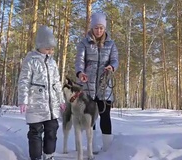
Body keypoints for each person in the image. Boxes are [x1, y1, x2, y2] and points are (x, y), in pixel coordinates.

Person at [18, 25, 65, 160]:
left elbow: (57, 83)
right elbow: (24, 81)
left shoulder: (53, 63)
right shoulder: (30, 60)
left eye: (52, 49)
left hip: (51, 106)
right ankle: (36, 157)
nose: (50, 52)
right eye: (47, 48)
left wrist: (61, 100)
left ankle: (49, 155)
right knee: (35, 133)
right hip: (35, 105)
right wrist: (23, 100)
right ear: (39, 46)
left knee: (52, 130)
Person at [75, 12, 119, 153]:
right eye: (96, 28)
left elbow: (115, 60)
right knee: (90, 118)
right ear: (92, 28)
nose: (99, 31)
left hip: (104, 85)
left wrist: (111, 67)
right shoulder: (84, 43)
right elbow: (79, 62)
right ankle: (90, 147)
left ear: (104, 28)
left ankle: (108, 148)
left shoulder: (111, 44)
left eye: (101, 27)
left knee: (105, 116)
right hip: (88, 85)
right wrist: (80, 73)